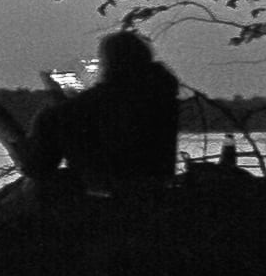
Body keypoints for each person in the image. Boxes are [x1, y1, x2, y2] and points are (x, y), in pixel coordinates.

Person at [34, 28, 186, 198]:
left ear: (109, 64)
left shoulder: (103, 102)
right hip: (156, 191)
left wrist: (52, 107)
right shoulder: (160, 97)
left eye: (103, 61)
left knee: (35, 189)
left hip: (108, 197)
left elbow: (38, 165)